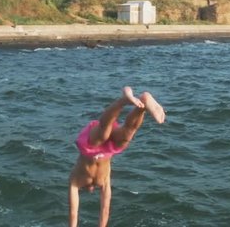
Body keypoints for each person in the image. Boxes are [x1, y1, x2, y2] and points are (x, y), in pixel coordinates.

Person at [68, 86, 165, 227]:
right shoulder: (104, 181)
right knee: (127, 133)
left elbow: (73, 213)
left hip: (90, 148)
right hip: (108, 150)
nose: (90, 190)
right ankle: (143, 105)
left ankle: (123, 101)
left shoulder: (75, 181)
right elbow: (105, 209)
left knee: (103, 131)